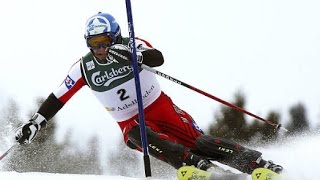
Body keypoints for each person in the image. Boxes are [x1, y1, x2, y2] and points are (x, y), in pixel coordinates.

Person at [15, 12, 283, 176]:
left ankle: (254, 162)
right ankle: (196, 167)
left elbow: (159, 58)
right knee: (135, 136)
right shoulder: (84, 67)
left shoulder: (131, 44)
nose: (99, 49)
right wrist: (36, 122)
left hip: (160, 107)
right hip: (130, 120)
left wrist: (136, 55)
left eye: (104, 42)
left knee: (198, 142)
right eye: (93, 43)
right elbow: (58, 97)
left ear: (115, 37)